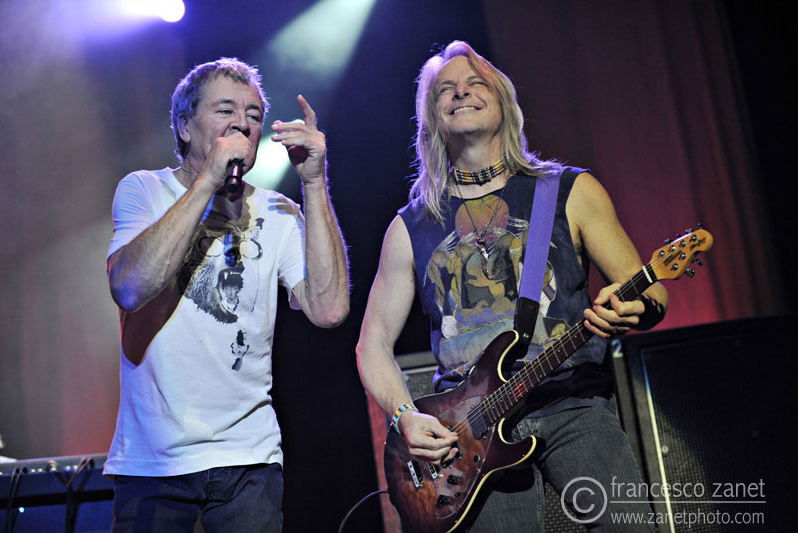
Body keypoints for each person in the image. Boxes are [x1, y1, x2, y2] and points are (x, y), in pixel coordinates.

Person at [356, 41, 668, 531]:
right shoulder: (409, 227)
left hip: (573, 404)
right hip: (468, 435)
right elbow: (371, 344)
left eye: (475, 83)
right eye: (445, 89)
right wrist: (404, 417)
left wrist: (635, 310)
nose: (461, 92)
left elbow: (651, 293)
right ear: (431, 118)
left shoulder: (570, 191)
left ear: (503, 101)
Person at [105, 57, 349, 532]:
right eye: (224, 110)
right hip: (155, 459)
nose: (242, 123)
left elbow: (329, 309)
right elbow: (129, 288)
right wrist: (208, 182)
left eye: (253, 115)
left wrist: (314, 183)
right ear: (184, 126)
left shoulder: (278, 211)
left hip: (249, 459)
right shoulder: (143, 190)